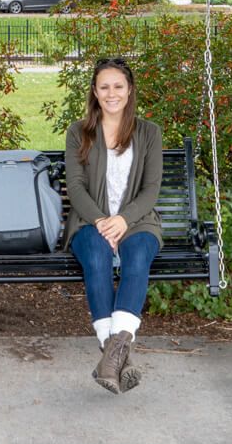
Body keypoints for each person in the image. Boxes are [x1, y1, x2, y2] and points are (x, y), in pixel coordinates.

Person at [64, 57, 163, 394]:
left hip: (138, 221)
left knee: (137, 257)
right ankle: (119, 355)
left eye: (118, 86)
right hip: (89, 221)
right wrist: (102, 221)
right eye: (104, 86)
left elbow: (151, 190)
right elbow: (75, 188)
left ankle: (110, 357)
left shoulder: (149, 133)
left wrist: (123, 219)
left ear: (129, 89)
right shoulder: (80, 132)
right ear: (94, 91)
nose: (111, 93)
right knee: (96, 256)